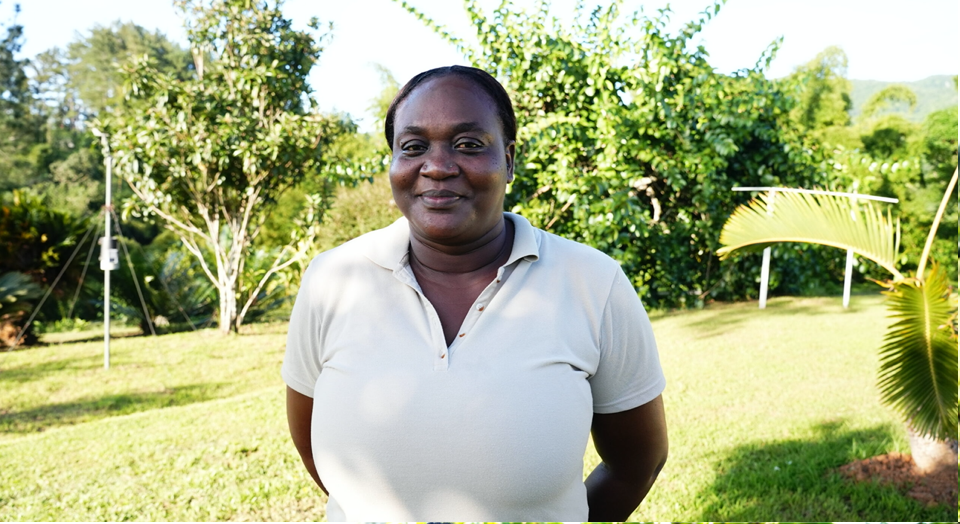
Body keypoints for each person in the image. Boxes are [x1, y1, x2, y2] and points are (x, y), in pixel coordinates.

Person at [283, 65, 668, 521]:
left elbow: (636, 462)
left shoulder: (592, 282)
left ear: (508, 160)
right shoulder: (333, 278)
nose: (438, 167)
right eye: (413, 147)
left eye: (468, 144)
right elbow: (315, 451)